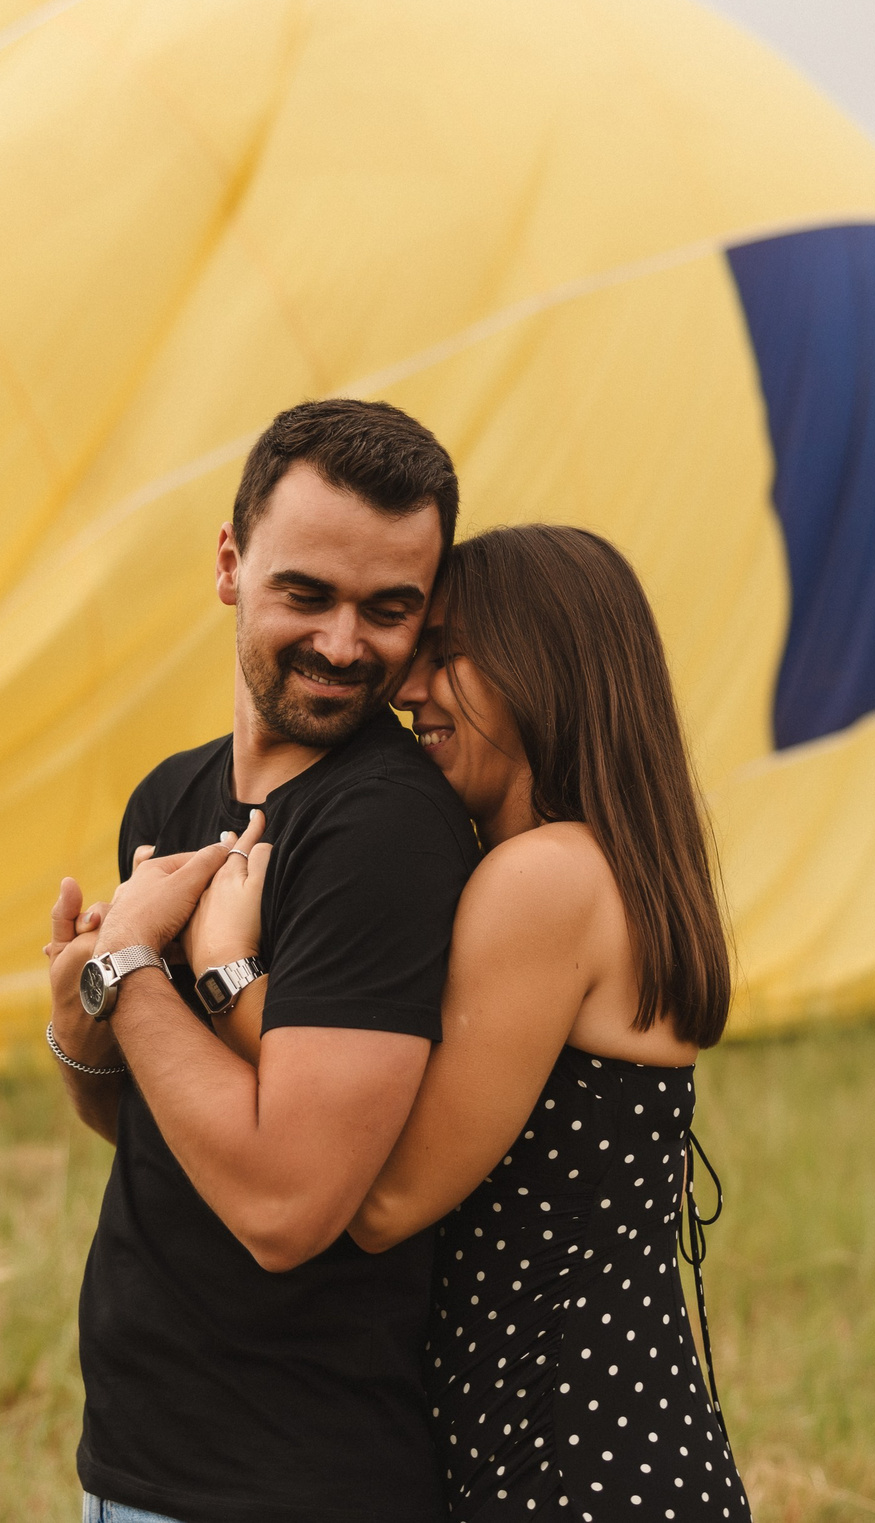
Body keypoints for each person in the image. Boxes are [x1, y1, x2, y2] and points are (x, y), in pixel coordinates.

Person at [184, 524, 753, 1523]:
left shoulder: (541, 880)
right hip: (621, 1445)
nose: (410, 690)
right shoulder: (613, 868)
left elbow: (387, 1193)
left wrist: (226, 973)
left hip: (572, 1464)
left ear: (541, 670)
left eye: (448, 655)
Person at [41, 400, 479, 1523]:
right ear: (231, 566)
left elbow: (287, 1205)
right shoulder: (172, 795)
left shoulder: (380, 831)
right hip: (139, 1451)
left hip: (289, 1474)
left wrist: (132, 968)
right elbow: (150, 1127)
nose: (343, 645)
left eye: (388, 610)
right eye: (307, 594)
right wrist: (81, 1027)